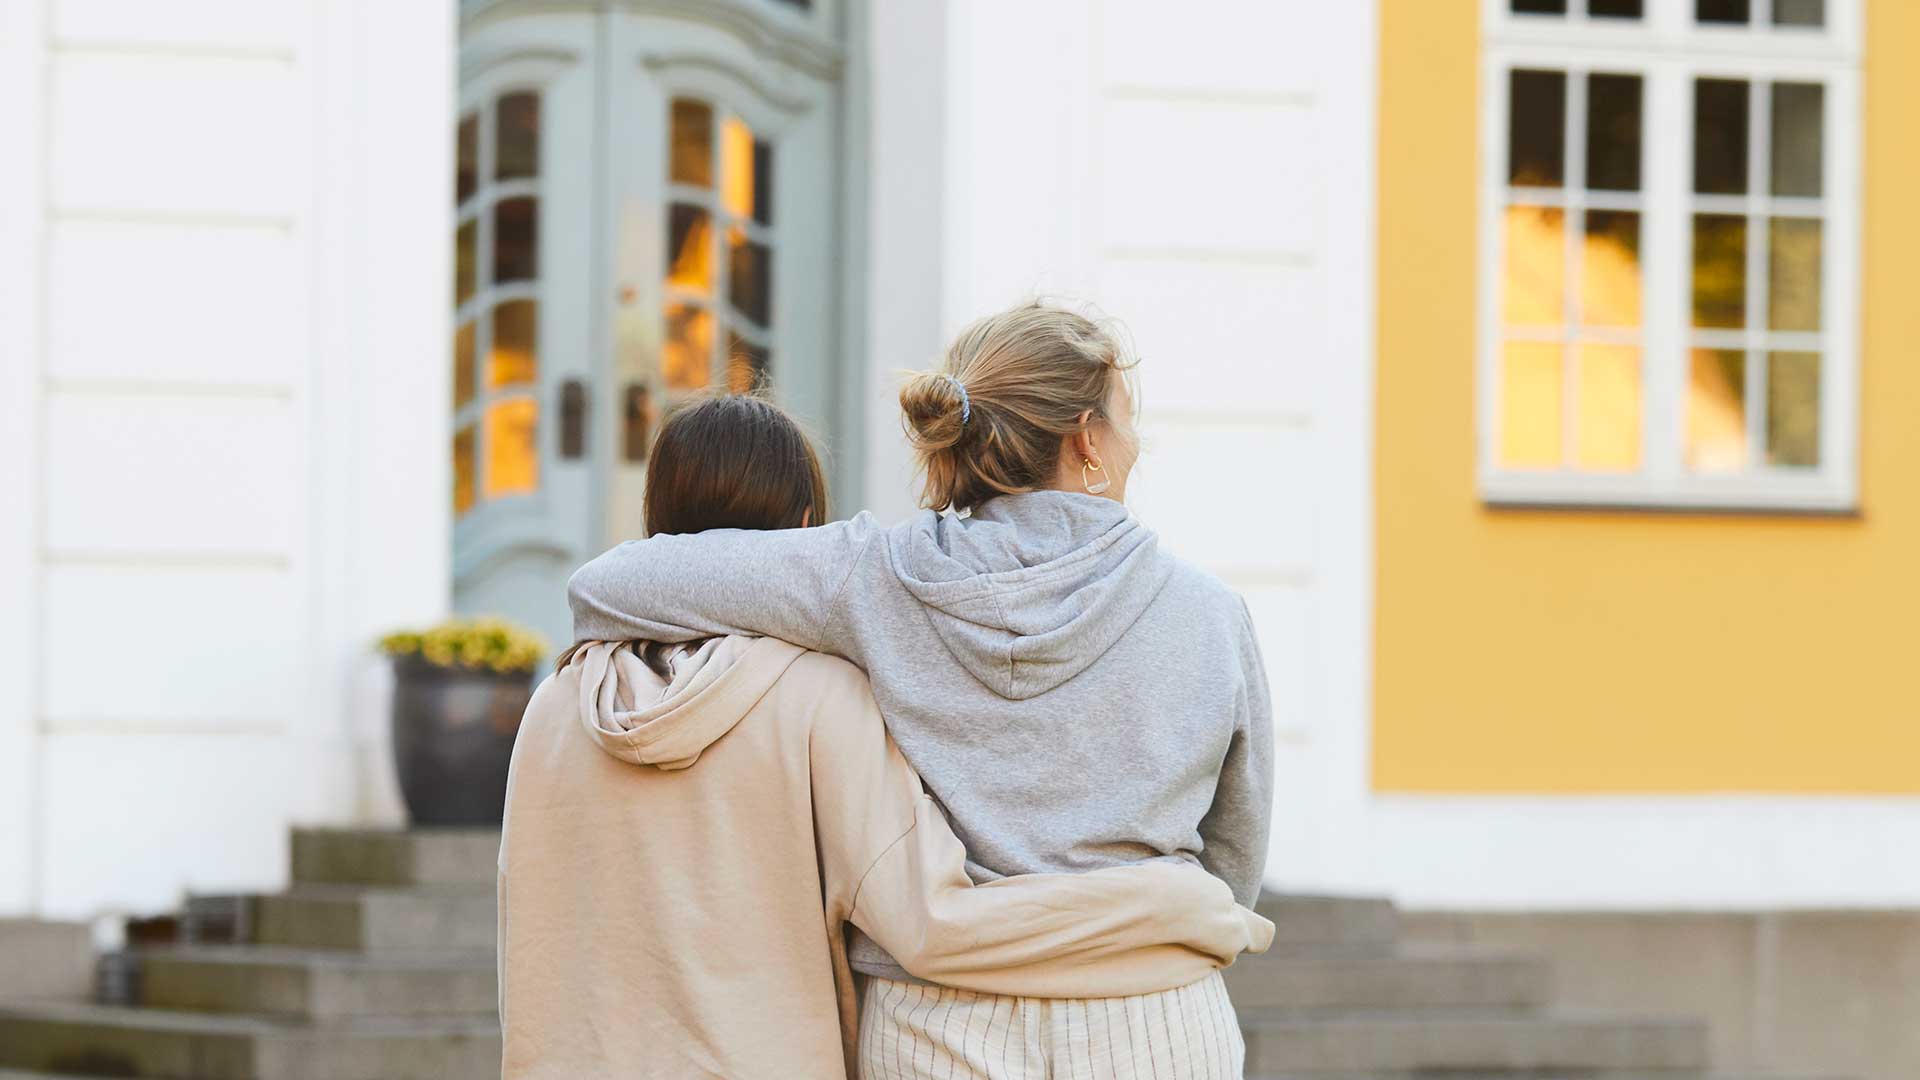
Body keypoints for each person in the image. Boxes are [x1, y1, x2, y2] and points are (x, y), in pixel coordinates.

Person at [567, 301, 1276, 1078]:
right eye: (1127, 419)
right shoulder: (1210, 612)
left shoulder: (873, 574)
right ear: (1087, 440)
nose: (1136, 443)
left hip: (936, 1025)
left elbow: (609, 586)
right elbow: (1235, 857)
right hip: (1155, 1019)